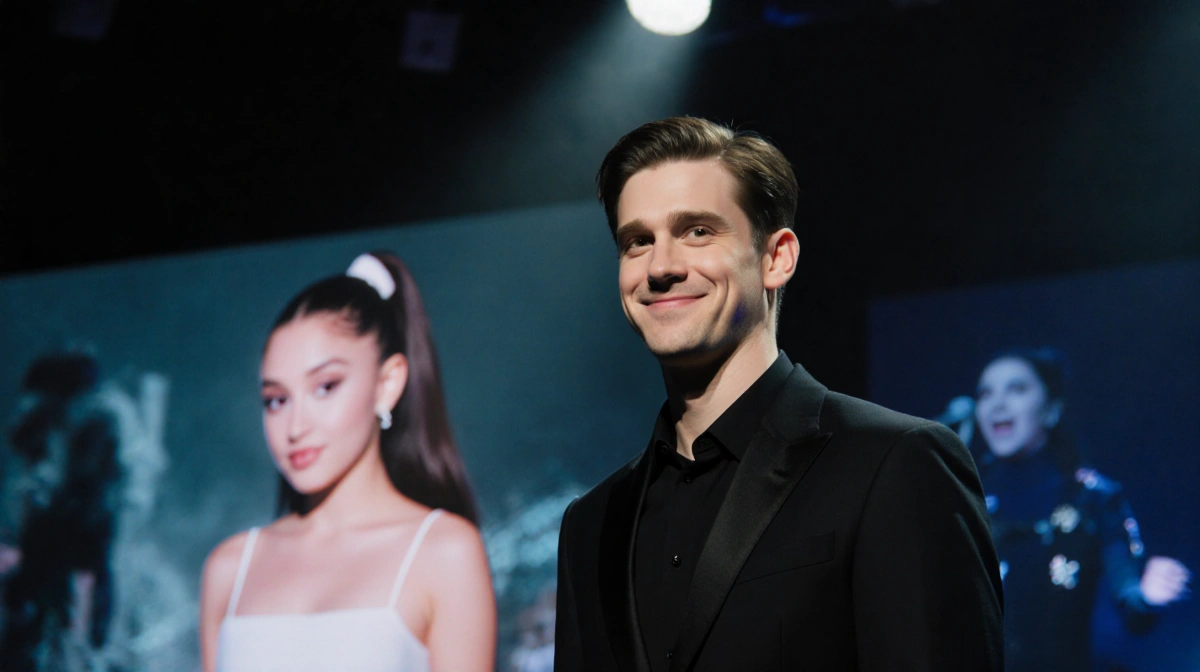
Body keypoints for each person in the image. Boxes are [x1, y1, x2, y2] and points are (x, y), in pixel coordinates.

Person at [554, 116, 1004, 672]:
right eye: (637, 241)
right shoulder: (591, 524)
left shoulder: (893, 463)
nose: (661, 267)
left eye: (697, 231)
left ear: (776, 258)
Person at [199, 251, 496, 672]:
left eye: (325, 386)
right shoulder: (229, 568)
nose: (295, 425)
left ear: (387, 383)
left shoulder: (444, 552)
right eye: (276, 400)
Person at [970, 348, 1190, 672]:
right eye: (986, 393)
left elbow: (1132, 609)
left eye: (1016, 389)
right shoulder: (961, 494)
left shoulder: (1093, 496)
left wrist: (1146, 595)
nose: (997, 403)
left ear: (1052, 408)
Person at [1, 350, 121, 672]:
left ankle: (91, 648)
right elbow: (23, 445)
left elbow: (91, 480)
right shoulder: (51, 418)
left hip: (79, 528)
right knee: (32, 601)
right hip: (57, 530)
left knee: (77, 596)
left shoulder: (97, 420)